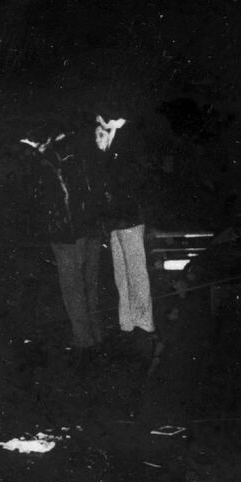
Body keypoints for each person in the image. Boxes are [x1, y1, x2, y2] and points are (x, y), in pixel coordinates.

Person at [23, 125, 104, 355]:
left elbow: (52, 200)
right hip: (91, 229)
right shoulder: (85, 156)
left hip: (67, 233)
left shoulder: (48, 161)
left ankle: (83, 338)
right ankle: (96, 333)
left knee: (72, 288)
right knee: (91, 285)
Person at [89, 111, 156, 350]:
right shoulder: (108, 150)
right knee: (121, 275)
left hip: (129, 218)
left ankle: (144, 321)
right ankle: (127, 321)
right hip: (115, 221)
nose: (97, 138)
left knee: (136, 273)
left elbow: (135, 180)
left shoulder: (127, 144)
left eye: (100, 131)